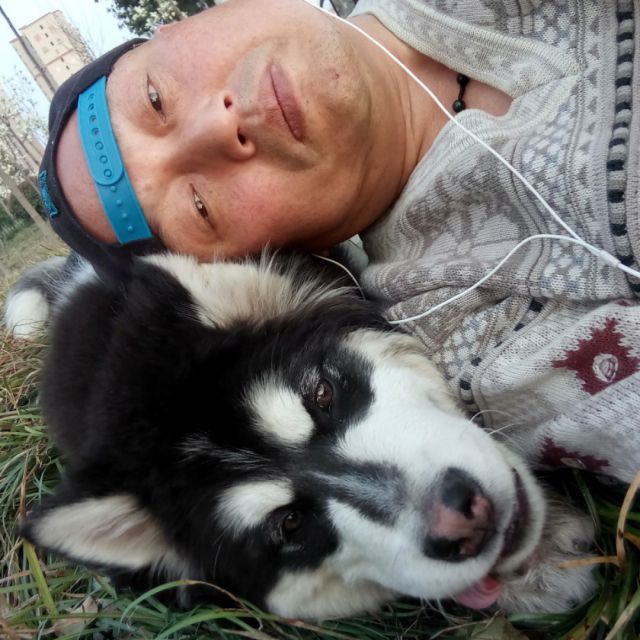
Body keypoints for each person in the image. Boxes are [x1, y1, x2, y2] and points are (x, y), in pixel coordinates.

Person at [38, 0, 639, 482]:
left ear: (177, 26)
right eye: (201, 206)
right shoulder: (485, 343)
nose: (219, 125)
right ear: (275, 264)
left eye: (155, 98)